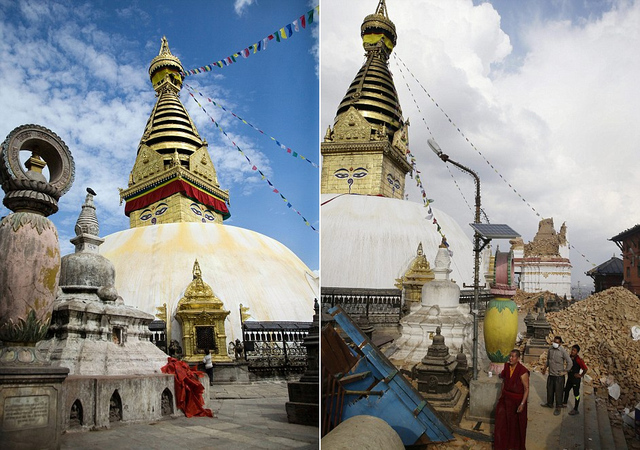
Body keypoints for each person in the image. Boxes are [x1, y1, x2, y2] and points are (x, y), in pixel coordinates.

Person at [494, 349, 529, 450]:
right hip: (506, 399)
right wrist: (501, 396)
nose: (510, 358)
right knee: (502, 422)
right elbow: (504, 381)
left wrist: (522, 404)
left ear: (518, 359)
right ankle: (502, 445)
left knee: (516, 426)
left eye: (513, 356)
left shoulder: (522, 371)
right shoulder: (507, 367)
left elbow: (526, 389)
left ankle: (514, 446)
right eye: (510, 356)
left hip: (517, 401)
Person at [541, 335, 572, 415]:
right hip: (551, 374)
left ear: (560, 343)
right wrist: (545, 368)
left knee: (559, 392)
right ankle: (549, 403)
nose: (555, 343)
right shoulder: (550, 349)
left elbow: (570, 362)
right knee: (549, 390)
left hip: (559, 376)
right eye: (554, 342)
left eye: (557, 342)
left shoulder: (562, 351)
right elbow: (548, 359)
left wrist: (565, 371)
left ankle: (558, 407)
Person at [563, 344, 588, 415]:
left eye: (574, 351)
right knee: (566, 390)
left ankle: (576, 409)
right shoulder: (570, 357)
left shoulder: (579, 360)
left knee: (576, 394)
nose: (572, 352)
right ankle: (564, 403)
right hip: (570, 378)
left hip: (575, 380)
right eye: (572, 350)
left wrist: (581, 375)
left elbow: (585, 369)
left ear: (577, 352)